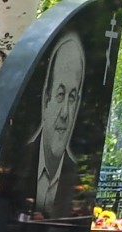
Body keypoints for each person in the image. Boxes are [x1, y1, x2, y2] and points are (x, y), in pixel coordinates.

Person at [32, 35, 86, 219]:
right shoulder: (18, 163)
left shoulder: (79, 177)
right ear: (46, 99)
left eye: (72, 98)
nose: (65, 113)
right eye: (60, 95)